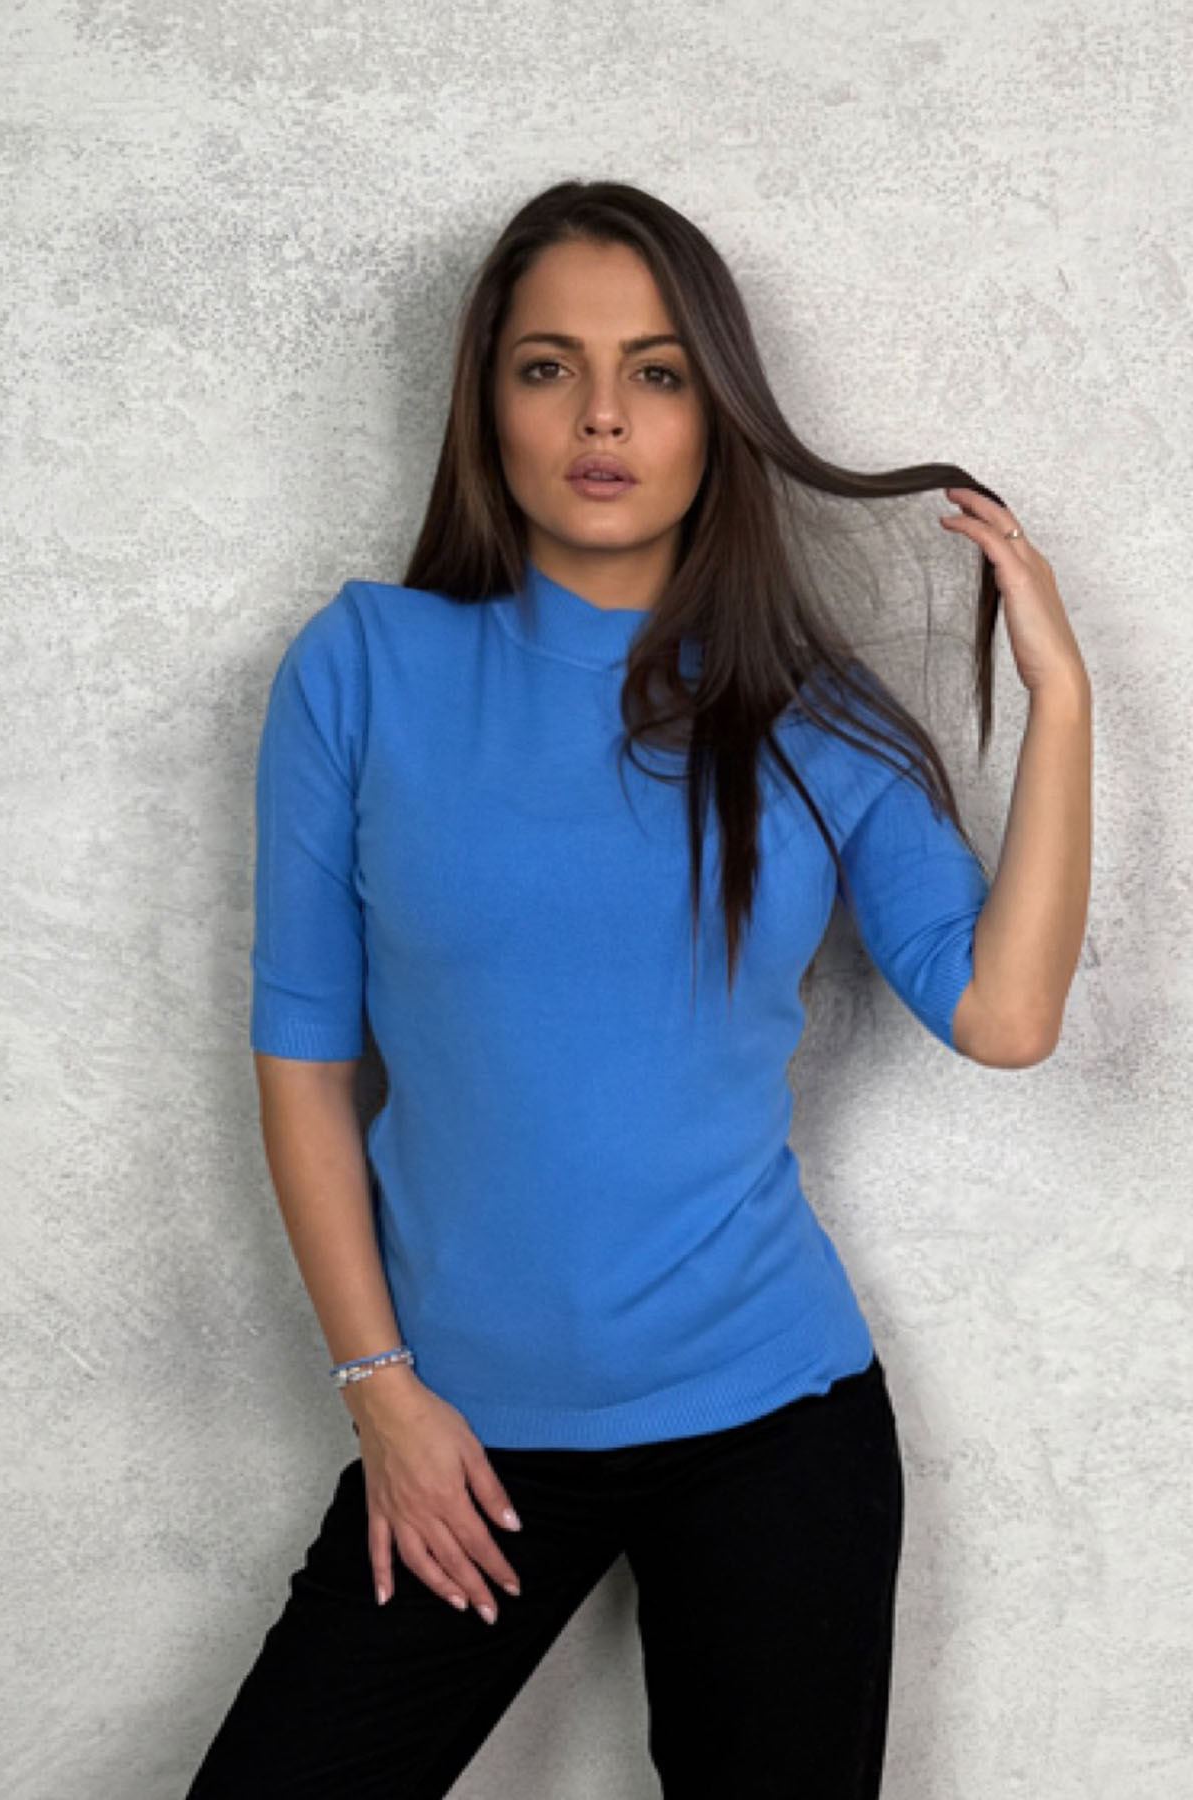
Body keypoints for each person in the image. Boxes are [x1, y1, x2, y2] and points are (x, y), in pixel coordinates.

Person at [185, 179, 1092, 1798]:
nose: (602, 416)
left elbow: (1005, 1017)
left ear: (715, 413)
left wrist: (1064, 698)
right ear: (488, 403)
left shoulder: (814, 720)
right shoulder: (365, 667)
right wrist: (380, 1392)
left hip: (773, 1426)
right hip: (463, 1438)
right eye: (549, 367)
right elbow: (303, 1055)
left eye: (658, 373)